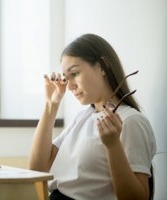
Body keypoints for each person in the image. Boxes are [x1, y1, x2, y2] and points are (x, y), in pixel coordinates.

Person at [29, 33, 157, 200]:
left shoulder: (131, 121)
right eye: (66, 78)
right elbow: (38, 168)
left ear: (103, 65)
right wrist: (50, 105)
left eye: (74, 73)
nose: (70, 86)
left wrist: (113, 145)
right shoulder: (84, 117)